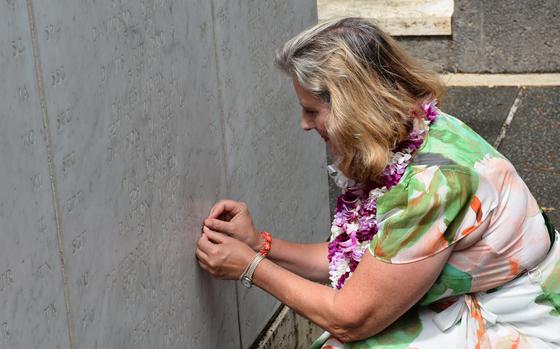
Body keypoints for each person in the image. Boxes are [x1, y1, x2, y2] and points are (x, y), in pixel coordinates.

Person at [195, 17, 559, 348]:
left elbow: (351, 319)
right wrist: (260, 244)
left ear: (353, 106)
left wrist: (249, 268)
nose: (304, 125)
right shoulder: (411, 131)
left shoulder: (430, 185)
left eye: (311, 111)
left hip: (529, 323)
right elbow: (366, 262)